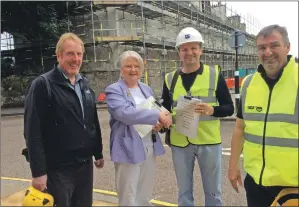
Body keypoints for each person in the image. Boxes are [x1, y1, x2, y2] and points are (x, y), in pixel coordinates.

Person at [24, 33, 104, 206]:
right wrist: (38, 172)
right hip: (57, 169)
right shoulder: (42, 84)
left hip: (84, 165)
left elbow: (91, 121)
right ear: (59, 55)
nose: (75, 59)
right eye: (70, 54)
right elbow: (32, 131)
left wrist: (98, 152)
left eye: (79, 54)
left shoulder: (85, 84)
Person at [161, 27, 234, 206]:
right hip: (180, 143)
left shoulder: (214, 75)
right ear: (178, 52)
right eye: (184, 49)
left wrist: (212, 110)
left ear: (200, 50)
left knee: (213, 193)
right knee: (184, 194)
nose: (189, 53)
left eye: (193, 48)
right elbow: (164, 110)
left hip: (208, 142)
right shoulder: (170, 78)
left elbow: (229, 108)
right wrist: (162, 120)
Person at [228, 24, 298, 207]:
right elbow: (240, 128)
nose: (268, 52)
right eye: (262, 48)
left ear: (287, 47)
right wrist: (233, 166)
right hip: (256, 182)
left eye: (274, 45)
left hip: (292, 186)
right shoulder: (249, 84)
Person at [105, 50, 172, 206]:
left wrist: (158, 124)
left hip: (149, 144)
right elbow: (125, 113)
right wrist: (156, 116)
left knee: (144, 193)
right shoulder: (114, 90)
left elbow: (153, 108)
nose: (133, 70)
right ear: (121, 69)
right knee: (128, 194)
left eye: (137, 66)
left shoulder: (146, 89)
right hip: (127, 146)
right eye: (128, 66)